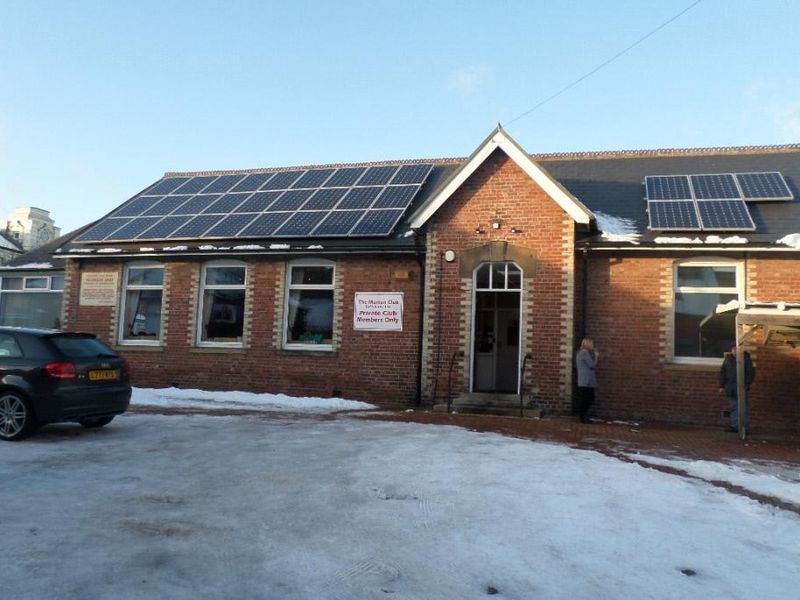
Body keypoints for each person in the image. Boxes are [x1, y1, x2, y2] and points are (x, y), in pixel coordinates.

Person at [718, 345, 756, 432]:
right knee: (733, 407)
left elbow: (751, 373)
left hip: (741, 387)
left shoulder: (746, 360)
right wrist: (721, 385)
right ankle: (735, 426)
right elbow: (722, 373)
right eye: (733, 349)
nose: (734, 351)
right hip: (731, 388)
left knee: (743, 407)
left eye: (736, 350)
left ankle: (744, 427)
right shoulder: (728, 359)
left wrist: (746, 384)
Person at [575, 338, 598, 423]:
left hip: (583, 380)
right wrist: (596, 356)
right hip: (586, 380)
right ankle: (582, 416)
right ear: (587, 344)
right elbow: (592, 365)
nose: (593, 345)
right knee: (588, 398)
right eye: (592, 344)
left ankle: (582, 415)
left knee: (586, 398)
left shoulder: (580, 352)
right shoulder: (585, 353)